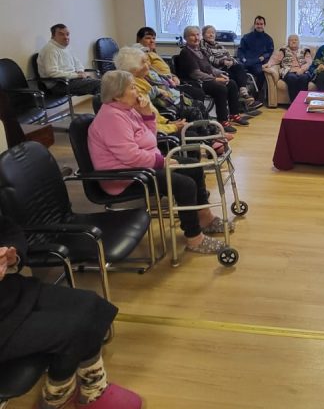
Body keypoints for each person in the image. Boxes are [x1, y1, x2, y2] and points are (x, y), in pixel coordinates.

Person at [0, 214, 142, 409]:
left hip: (9, 294)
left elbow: (9, 230)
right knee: (76, 327)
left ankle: (81, 389)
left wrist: (11, 256)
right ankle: (58, 399)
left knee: (91, 306)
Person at [88, 70, 232, 254]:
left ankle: (205, 218)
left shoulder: (127, 110)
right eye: (132, 88)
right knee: (184, 184)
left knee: (194, 168)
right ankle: (194, 238)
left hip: (143, 165)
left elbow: (150, 139)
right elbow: (130, 156)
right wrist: (161, 162)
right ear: (117, 95)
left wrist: (147, 114)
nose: (137, 91)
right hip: (125, 176)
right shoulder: (111, 117)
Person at [178, 26, 250, 134]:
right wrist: (215, 79)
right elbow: (196, 74)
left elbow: (210, 68)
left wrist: (221, 74)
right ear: (185, 38)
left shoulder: (200, 51)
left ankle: (234, 114)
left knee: (231, 83)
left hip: (207, 79)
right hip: (196, 83)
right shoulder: (185, 53)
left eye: (197, 35)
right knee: (220, 88)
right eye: (192, 35)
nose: (196, 38)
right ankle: (222, 120)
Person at [201, 25, 262, 112]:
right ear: (203, 34)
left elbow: (229, 56)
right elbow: (209, 59)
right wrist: (223, 62)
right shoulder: (203, 46)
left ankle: (244, 94)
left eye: (213, 33)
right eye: (208, 33)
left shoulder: (219, 45)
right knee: (233, 77)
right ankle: (241, 101)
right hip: (217, 70)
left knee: (239, 67)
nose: (211, 35)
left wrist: (232, 62)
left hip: (227, 67)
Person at [37, 23, 101, 95]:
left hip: (71, 80)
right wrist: (77, 75)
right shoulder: (50, 50)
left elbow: (77, 63)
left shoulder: (67, 48)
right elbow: (52, 73)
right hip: (58, 85)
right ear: (53, 36)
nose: (66, 37)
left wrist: (80, 71)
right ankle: (103, 101)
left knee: (102, 86)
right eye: (61, 34)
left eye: (67, 34)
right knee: (100, 84)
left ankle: (102, 101)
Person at [265, 34, 313, 102]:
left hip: (303, 71)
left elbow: (309, 62)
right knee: (292, 78)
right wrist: (268, 64)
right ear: (288, 42)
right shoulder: (283, 50)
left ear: (299, 42)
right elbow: (275, 59)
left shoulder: (305, 50)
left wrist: (302, 69)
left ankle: (302, 102)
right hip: (288, 71)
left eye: (295, 40)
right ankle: (294, 103)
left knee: (303, 78)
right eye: (291, 40)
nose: (293, 41)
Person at [237, 15, 274, 93]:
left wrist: (263, 57)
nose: (259, 26)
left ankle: (257, 95)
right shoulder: (246, 37)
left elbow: (270, 52)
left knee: (261, 73)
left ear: (264, 25)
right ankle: (242, 93)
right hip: (246, 62)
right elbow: (240, 51)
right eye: (257, 24)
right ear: (254, 25)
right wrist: (243, 59)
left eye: (261, 24)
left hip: (258, 63)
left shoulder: (268, 39)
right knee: (237, 68)